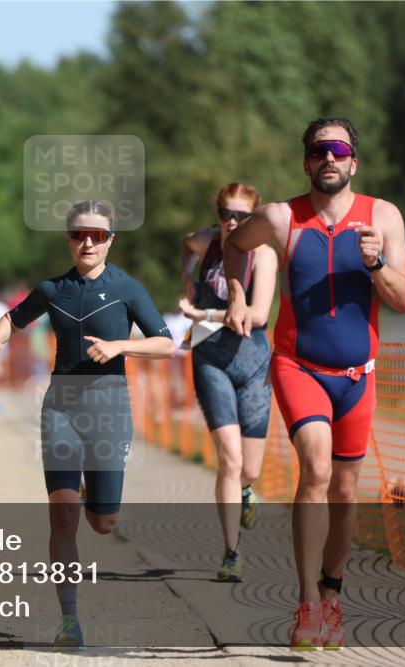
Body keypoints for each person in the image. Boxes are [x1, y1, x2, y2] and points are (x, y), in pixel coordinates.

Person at [223, 118, 405, 650]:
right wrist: (237, 296)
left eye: (339, 149)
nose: (328, 158)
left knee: (347, 493)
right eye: (318, 150)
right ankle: (307, 604)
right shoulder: (281, 218)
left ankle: (332, 592)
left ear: (354, 161)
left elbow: (403, 298)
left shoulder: (383, 217)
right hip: (298, 367)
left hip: (358, 377)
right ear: (306, 162)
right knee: (317, 471)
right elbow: (235, 245)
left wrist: (374, 262)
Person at [0, 200, 175, 648]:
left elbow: (165, 344)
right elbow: (14, 318)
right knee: (62, 515)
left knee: (103, 522)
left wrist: (120, 347)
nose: (88, 242)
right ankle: (69, 619)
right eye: (79, 234)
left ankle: (94, 496)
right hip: (61, 407)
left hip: (109, 407)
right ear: (68, 238)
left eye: (98, 235)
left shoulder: (127, 288)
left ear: (111, 240)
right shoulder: (52, 289)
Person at [178, 182, 276, 583]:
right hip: (210, 358)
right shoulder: (206, 241)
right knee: (230, 461)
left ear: (252, 220)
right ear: (217, 214)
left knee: (249, 469)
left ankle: (247, 491)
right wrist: (187, 275)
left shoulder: (264, 254)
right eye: (226, 214)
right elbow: (186, 245)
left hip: (252, 359)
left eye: (241, 216)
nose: (232, 222)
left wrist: (205, 314)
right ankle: (231, 552)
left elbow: (258, 314)